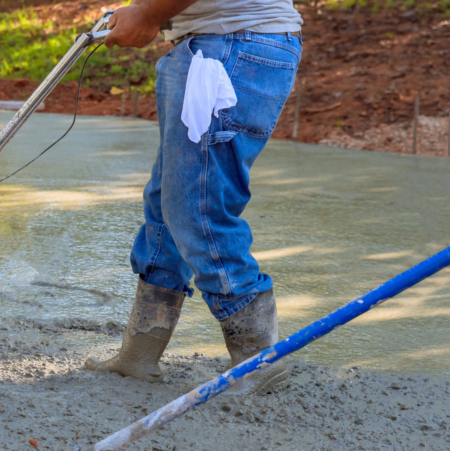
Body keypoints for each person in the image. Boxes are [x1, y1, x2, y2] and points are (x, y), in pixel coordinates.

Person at [84, 0, 303, 395]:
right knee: (167, 199)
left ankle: (258, 360)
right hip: (216, 44)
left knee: (196, 206)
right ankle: (139, 354)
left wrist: (148, 16)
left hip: (233, 46)